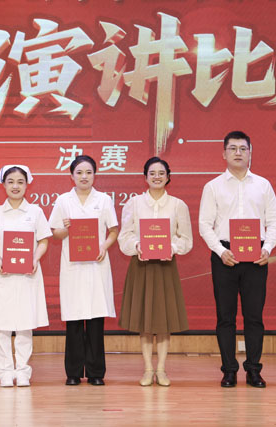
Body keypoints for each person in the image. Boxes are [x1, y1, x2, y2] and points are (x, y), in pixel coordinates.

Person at [198, 130, 276, 388]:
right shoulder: (213, 186)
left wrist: (268, 248)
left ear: (250, 153)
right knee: (226, 317)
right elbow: (204, 224)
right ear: (224, 153)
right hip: (225, 256)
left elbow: (274, 220)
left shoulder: (263, 185)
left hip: (256, 258)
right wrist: (220, 251)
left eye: (243, 148)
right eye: (232, 148)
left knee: (254, 316)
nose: (238, 153)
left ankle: (254, 370)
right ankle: (229, 370)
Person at [118, 157, 192, 387]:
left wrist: (172, 247)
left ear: (168, 177)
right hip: (141, 266)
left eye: (161, 173)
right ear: (145, 177)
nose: (157, 177)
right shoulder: (133, 204)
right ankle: (147, 369)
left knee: (163, 320)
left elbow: (186, 239)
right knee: (145, 321)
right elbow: (125, 236)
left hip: (166, 267)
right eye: (152, 173)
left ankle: (161, 369)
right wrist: (137, 245)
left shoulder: (178, 205)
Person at [49, 155, 118, 386]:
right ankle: (74, 372)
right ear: (72, 176)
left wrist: (104, 246)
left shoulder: (104, 200)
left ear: (94, 175)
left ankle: (96, 372)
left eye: (88, 172)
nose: (84, 176)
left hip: (97, 265)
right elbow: (55, 233)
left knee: (96, 320)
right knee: (74, 320)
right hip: (73, 268)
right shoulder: (63, 201)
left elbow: (113, 231)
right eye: (79, 172)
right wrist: (66, 229)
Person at [0, 165, 52, 387]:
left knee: (24, 325)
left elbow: (43, 241)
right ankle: (4, 372)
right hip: (3, 275)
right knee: (2, 326)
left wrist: (35, 258)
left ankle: (22, 371)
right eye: (10, 181)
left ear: (27, 184)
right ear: (3, 184)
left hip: (27, 275)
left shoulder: (35, 212)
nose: (15, 186)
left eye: (20, 182)